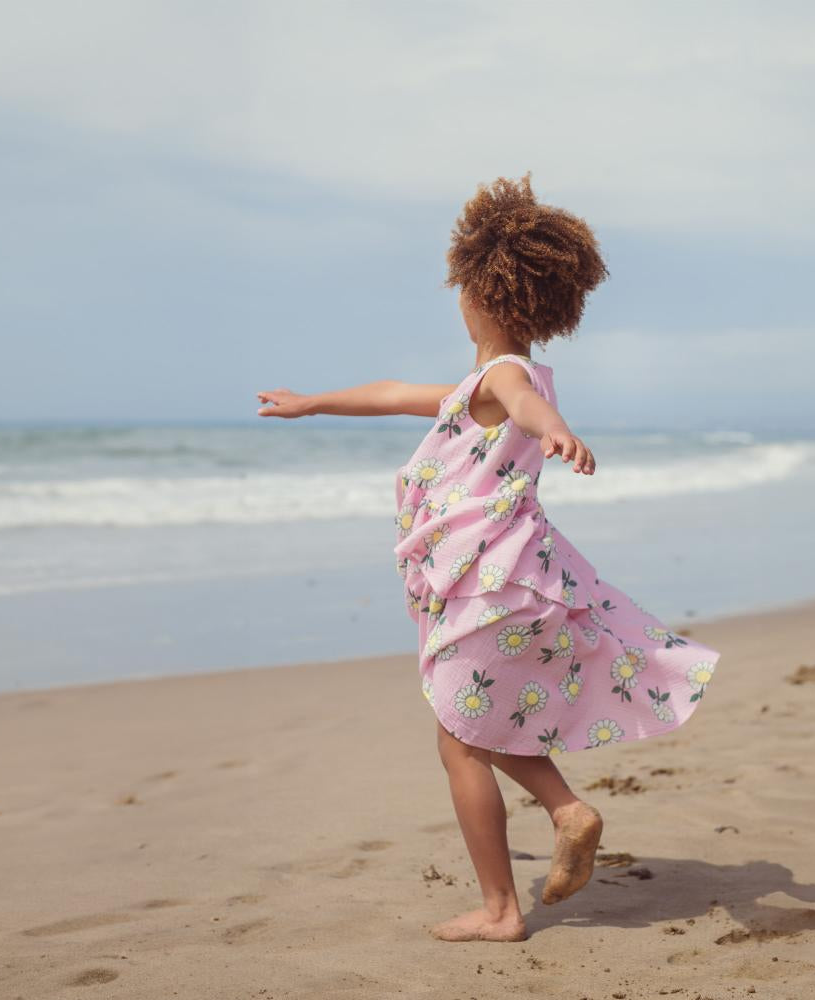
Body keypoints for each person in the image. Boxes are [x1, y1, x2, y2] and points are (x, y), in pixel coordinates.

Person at [256, 173, 722, 942]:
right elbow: (394, 391)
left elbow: (527, 404)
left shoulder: (506, 377)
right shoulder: (482, 383)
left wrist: (554, 430)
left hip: (488, 585)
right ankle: (564, 816)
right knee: (470, 728)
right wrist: (313, 401)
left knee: (460, 737)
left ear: (490, 295)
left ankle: (507, 903)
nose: (458, 298)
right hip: (504, 579)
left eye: (464, 286)